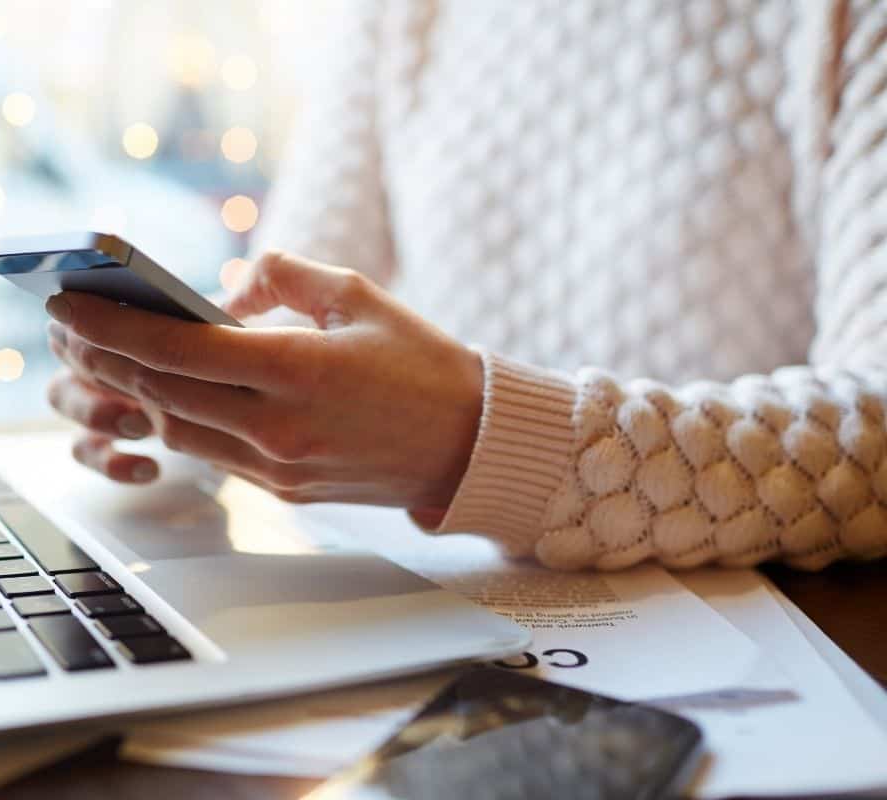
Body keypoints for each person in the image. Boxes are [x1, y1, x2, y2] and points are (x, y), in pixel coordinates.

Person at [45, 0, 887, 571]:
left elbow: (877, 427)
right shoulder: (408, 13)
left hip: (751, 648)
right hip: (433, 612)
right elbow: (279, 314)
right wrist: (179, 400)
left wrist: (480, 446)